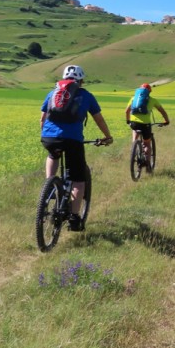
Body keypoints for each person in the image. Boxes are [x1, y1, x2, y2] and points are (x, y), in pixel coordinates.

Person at [40, 64, 113, 230]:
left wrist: (46, 135)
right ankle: (74, 218)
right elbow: (98, 119)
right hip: (73, 140)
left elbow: (42, 119)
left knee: (53, 155)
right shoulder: (85, 95)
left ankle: (50, 186)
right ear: (81, 81)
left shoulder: (53, 93)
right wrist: (107, 137)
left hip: (49, 138)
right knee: (79, 180)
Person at [125, 82, 170, 163]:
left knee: (134, 137)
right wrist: (166, 120)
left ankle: (134, 150)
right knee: (147, 143)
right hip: (145, 124)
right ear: (149, 92)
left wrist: (128, 120)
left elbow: (126, 111)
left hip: (134, 123)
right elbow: (162, 112)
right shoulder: (153, 100)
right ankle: (147, 165)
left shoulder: (133, 99)